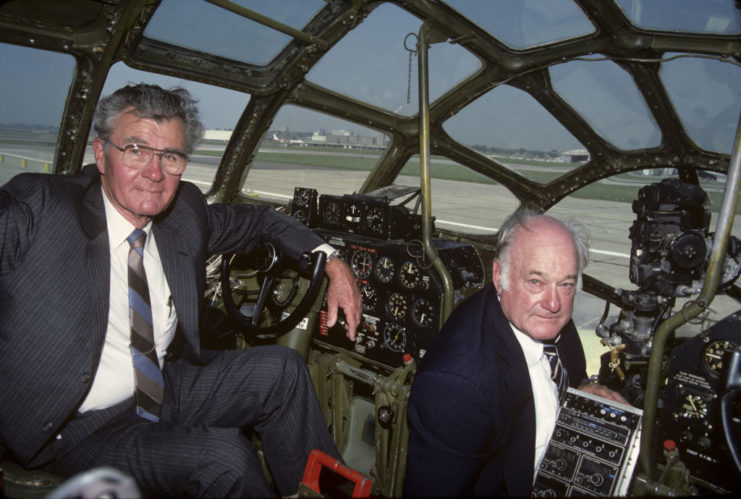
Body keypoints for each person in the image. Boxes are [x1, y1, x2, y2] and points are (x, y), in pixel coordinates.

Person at [0, 83, 362, 497]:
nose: (154, 173)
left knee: (282, 370)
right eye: (135, 150)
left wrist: (333, 263)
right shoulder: (41, 208)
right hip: (74, 427)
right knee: (227, 459)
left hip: (160, 389)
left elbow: (263, 221)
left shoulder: (183, 213)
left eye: (169, 157)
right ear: (101, 155)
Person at [403, 209, 627, 497]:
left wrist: (582, 388)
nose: (554, 303)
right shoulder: (457, 387)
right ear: (499, 276)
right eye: (535, 282)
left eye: (566, 284)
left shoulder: (542, 316)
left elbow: (565, 363)